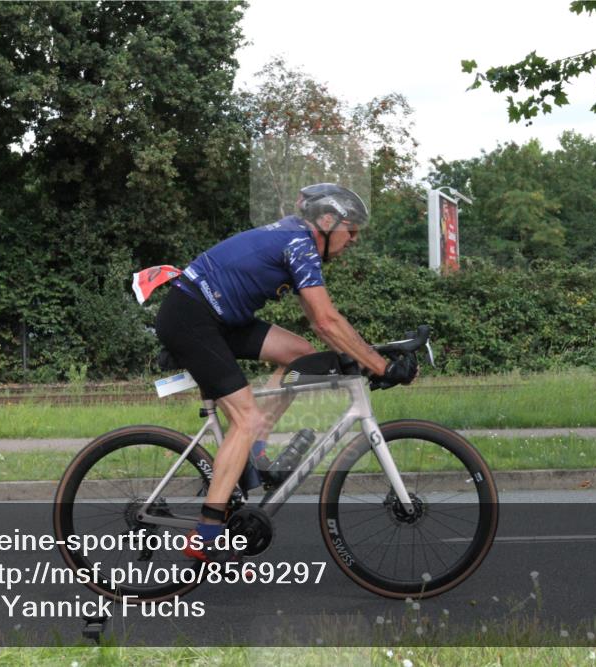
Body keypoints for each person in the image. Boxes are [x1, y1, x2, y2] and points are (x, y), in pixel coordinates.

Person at [154, 184, 418, 561]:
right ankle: (207, 532)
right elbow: (327, 320)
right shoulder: (299, 242)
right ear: (327, 221)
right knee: (244, 418)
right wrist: (381, 366)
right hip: (193, 317)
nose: (354, 239)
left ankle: (255, 454)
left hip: (218, 317)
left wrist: (367, 357)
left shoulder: (296, 237)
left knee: (300, 355)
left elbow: (319, 323)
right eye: (351, 229)